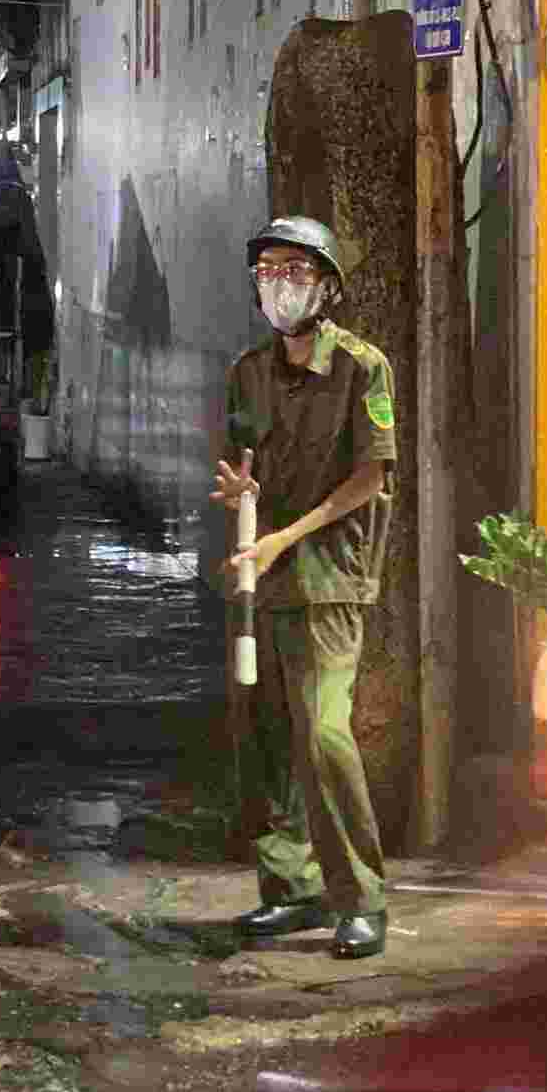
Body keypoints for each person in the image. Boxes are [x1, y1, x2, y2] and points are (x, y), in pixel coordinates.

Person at [209, 214, 397, 961]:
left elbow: (371, 476)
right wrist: (239, 497)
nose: (279, 285)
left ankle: (362, 900)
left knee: (322, 734)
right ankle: (293, 890)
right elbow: (243, 464)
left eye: (295, 270)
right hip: (264, 577)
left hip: (329, 578)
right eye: (268, 272)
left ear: (327, 287)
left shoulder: (362, 367)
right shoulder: (248, 371)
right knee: (264, 740)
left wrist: (287, 535)